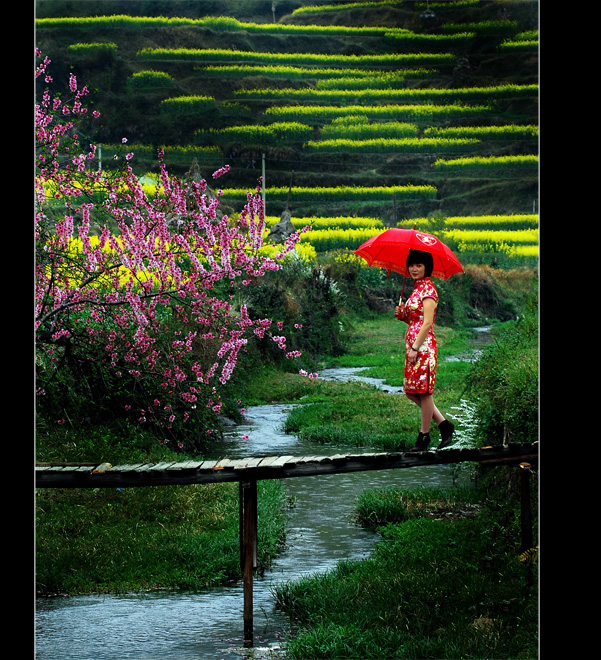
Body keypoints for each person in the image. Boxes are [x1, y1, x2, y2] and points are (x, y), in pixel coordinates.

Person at [394, 249, 455, 451]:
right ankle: (444, 425)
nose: (414, 269)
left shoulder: (429, 290)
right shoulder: (416, 289)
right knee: (411, 391)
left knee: (424, 391)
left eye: (419, 265)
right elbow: (414, 320)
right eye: (411, 265)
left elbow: (427, 323)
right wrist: (403, 316)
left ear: (426, 267)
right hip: (413, 346)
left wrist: (415, 347)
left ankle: (424, 436)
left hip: (423, 347)